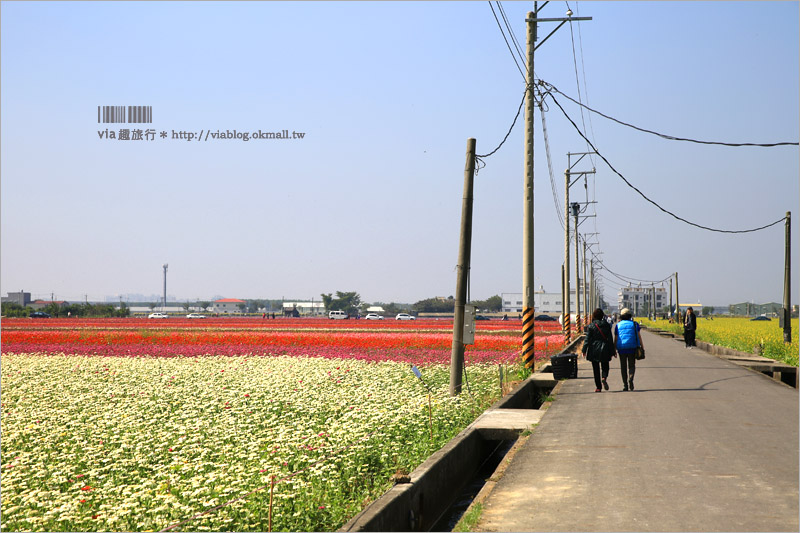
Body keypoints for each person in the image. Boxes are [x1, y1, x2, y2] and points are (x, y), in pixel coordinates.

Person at [582, 308, 616, 392]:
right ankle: (604, 377)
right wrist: (612, 351)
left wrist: (584, 350)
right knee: (605, 366)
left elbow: (587, 339)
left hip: (594, 349)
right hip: (605, 348)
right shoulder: (607, 325)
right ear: (602, 316)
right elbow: (610, 339)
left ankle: (598, 387)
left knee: (595, 369)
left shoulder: (591, 326)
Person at [613, 308, 644, 391]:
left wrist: (614, 349)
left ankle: (625, 385)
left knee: (623, 367)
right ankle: (631, 378)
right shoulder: (634, 324)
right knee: (632, 365)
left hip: (621, 348)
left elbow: (616, 338)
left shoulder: (618, 325)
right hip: (632, 347)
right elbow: (639, 337)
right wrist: (642, 347)